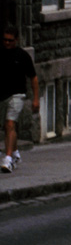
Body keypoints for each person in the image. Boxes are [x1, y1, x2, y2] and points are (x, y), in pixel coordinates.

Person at [1, 24, 39, 172]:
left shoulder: (22, 56)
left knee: (10, 124)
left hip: (17, 95)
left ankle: (8, 159)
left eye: (10, 40)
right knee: (7, 127)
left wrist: (36, 99)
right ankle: (15, 153)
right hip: (2, 95)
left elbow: (33, 78)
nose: (7, 43)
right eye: (5, 40)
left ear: (16, 40)